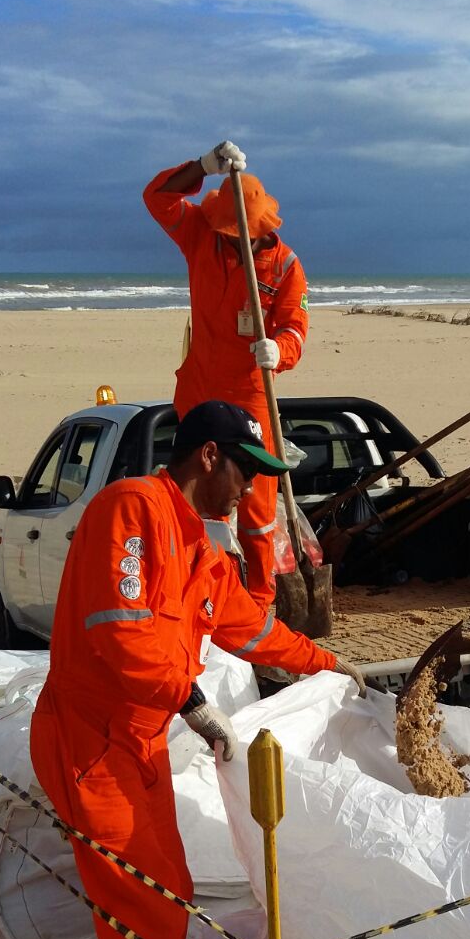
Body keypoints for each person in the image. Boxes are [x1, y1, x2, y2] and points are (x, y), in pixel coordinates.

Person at [30, 401, 364, 939]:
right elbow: (119, 631)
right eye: (249, 474)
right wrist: (194, 702)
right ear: (208, 456)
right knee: (152, 925)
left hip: (135, 746)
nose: (254, 493)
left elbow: (247, 629)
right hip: (91, 748)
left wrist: (324, 662)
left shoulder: (198, 547)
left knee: (158, 899)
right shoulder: (133, 511)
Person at [143, 140, 309, 609]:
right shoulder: (201, 232)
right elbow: (157, 198)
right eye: (227, 234)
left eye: (239, 236)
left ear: (260, 231)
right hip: (199, 387)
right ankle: (187, 593)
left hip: (252, 393)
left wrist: (280, 350)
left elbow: (296, 326)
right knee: (189, 495)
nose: (230, 240)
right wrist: (202, 166)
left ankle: (257, 604)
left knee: (255, 507)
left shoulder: (286, 266)